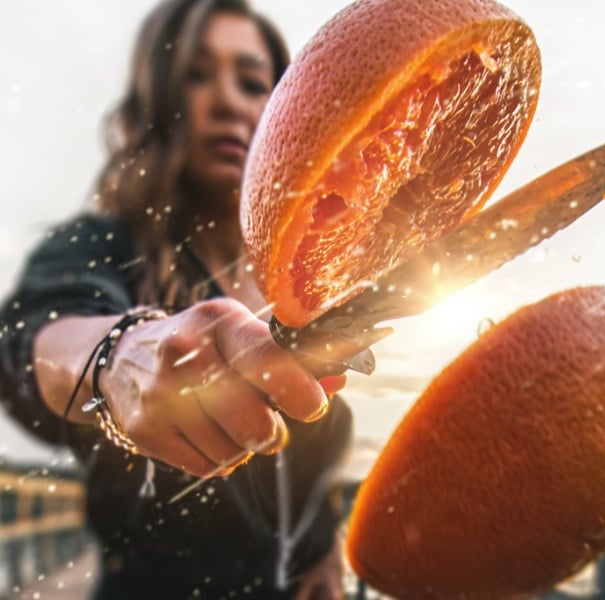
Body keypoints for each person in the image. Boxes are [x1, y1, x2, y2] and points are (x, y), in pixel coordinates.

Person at [0, 1, 354, 598]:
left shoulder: (295, 282)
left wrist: (324, 541)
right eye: (196, 74)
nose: (226, 101)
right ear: (160, 103)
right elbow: (36, 332)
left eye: (250, 80)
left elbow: (309, 453)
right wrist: (119, 354)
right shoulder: (104, 243)